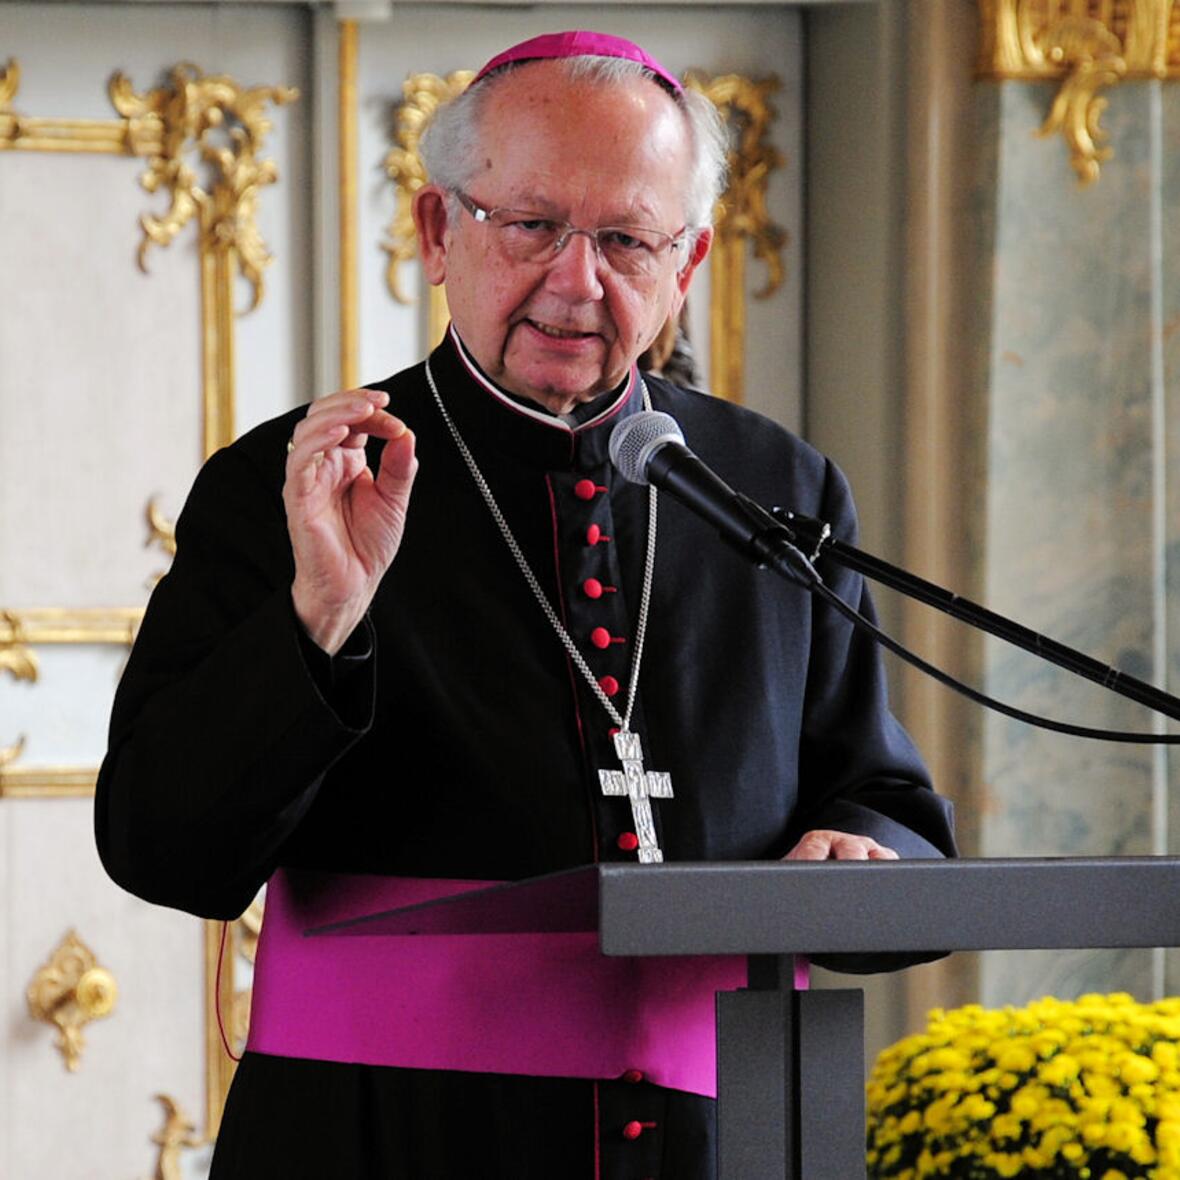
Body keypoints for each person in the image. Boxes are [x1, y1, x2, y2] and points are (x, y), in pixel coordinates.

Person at [95, 30, 955, 1179]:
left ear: (686, 264)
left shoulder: (777, 489)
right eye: (534, 224)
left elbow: (880, 793)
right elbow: (163, 849)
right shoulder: (293, 482)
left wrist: (867, 850)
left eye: (625, 240)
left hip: (736, 1137)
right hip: (390, 1138)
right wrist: (318, 618)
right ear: (438, 231)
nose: (576, 279)